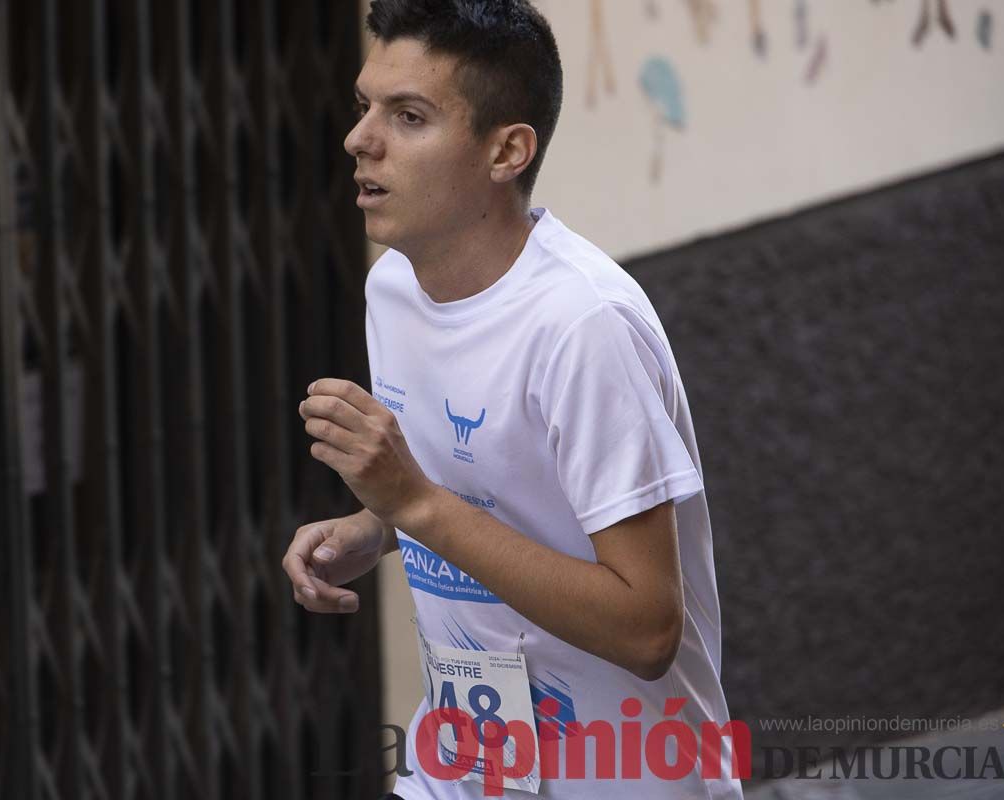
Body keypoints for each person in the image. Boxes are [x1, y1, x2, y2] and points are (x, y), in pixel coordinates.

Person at [281, 1, 744, 797]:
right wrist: (374, 526)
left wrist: (413, 505)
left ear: (506, 151)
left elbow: (647, 629)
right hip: (461, 769)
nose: (361, 138)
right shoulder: (392, 287)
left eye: (410, 115)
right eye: (366, 106)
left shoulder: (582, 326)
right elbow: (478, 488)